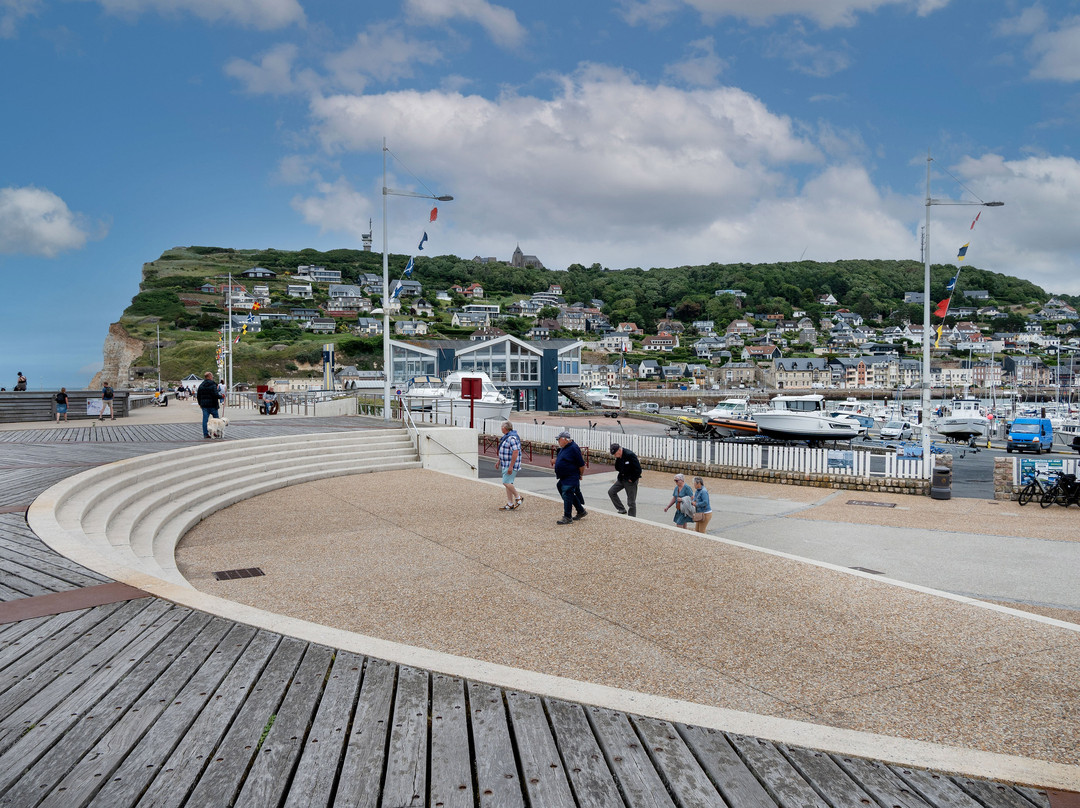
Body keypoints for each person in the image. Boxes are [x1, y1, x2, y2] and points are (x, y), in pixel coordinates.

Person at [554, 431, 586, 525]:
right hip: (564, 476)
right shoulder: (565, 447)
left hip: (571, 476)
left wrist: (580, 475)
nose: (558, 441)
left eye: (559, 439)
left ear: (565, 439)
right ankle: (581, 510)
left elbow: (581, 464)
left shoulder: (573, 448)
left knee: (567, 493)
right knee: (561, 487)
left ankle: (567, 517)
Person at [608, 443, 642, 516]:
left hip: (630, 480)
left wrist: (632, 479)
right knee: (611, 492)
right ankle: (621, 509)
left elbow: (638, 469)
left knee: (631, 501)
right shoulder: (618, 457)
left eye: (615, 454)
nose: (614, 455)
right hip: (622, 478)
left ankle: (631, 517)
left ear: (619, 450)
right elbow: (617, 468)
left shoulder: (630, 455)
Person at [497, 420, 523, 510]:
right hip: (505, 463)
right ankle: (510, 503)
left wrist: (511, 466)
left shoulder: (511, 438)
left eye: (501, 427)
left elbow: (515, 452)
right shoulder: (507, 437)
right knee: (509, 483)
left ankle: (518, 497)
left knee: (506, 482)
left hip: (510, 464)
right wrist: (499, 461)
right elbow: (505, 451)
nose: (501, 428)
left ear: (504, 428)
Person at [197, 371, 223, 439]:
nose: (212, 378)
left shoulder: (201, 385)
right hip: (213, 405)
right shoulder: (213, 384)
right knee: (217, 420)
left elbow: (198, 395)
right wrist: (221, 397)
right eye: (212, 376)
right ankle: (216, 432)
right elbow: (215, 394)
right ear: (209, 377)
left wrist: (200, 403)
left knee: (205, 420)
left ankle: (205, 434)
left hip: (204, 405)